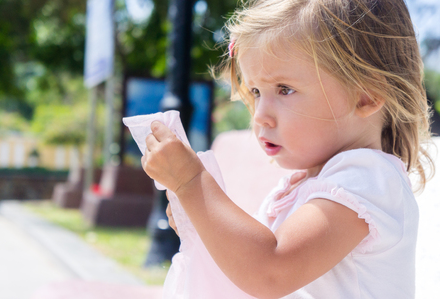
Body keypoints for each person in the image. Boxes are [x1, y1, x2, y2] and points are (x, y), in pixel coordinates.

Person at [141, 0, 435, 298]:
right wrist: (205, 227)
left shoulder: (368, 180)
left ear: (366, 96)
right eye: (256, 92)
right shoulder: (310, 185)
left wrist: (192, 183)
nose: (259, 115)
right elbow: (249, 270)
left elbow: (269, 271)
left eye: (284, 89)